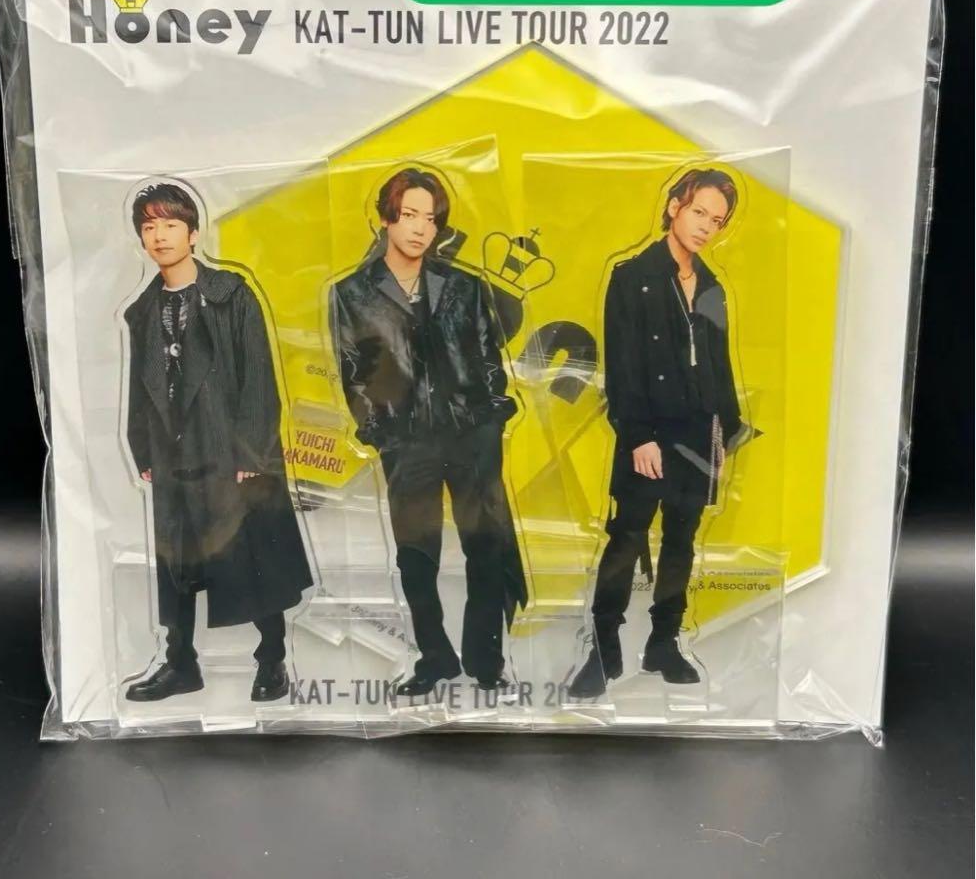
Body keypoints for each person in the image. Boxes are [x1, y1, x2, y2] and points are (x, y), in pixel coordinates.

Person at [330, 168, 527, 697]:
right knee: (417, 557)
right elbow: (353, 371)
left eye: (431, 218)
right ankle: (435, 658)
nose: (420, 228)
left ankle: (486, 661)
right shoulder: (352, 293)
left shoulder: (464, 285)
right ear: (386, 218)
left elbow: (487, 356)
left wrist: (492, 416)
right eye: (409, 215)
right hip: (407, 441)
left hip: (472, 435)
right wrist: (381, 432)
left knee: (485, 548)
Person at [122, 182, 312, 703]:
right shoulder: (143, 312)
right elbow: (140, 386)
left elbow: (259, 376)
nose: (160, 236)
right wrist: (143, 450)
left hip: (230, 452)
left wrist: (252, 453)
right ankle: (180, 664)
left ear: (193, 233)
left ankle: (272, 659)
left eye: (170, 224)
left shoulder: (231, 295)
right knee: (178, 562)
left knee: (251, 556)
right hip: (173, 452)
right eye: (149, 226)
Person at [569, 168, 746, 698]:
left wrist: (726, 430)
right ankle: (603, 650)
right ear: (674, 207)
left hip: (699, 430)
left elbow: (718, 362)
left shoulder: (711, 286)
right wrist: (638, 434)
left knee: (681, 541)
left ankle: (664, 642)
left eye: (717, 220)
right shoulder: (632, 276)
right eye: (699, 212)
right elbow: (622, 365)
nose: (706, 226)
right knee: (627, 536)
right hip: (648, 430)